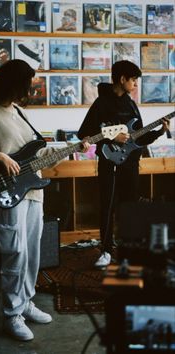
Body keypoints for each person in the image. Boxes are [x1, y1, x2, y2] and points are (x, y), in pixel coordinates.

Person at [0, 59, 89, 341]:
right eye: (25, 85)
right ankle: (11, 315)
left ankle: (26, 303)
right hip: (6, 192)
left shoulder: (18, 112)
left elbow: (36, 154)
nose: (28, 91)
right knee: (14, 252)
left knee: (31, 252)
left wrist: (74, 148)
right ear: (12, 84)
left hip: (33, 192)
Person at [77, 60, 170, 268]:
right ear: (122, 79)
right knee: (107, 206)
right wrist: (111, 139)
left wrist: (160, 132)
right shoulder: (101, 104)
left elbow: (138, 137)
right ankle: (107, 251)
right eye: (133, 79)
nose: (136, 84)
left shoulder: (131, 104)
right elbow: (84, 135)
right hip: (109, 163)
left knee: (130, 208)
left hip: (130, 164)